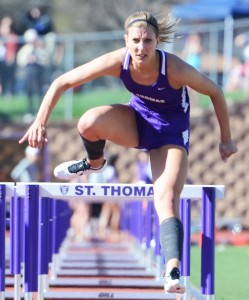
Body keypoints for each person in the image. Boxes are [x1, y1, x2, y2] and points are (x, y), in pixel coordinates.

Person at [19, 11, 237, 294]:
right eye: (135, 40)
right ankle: (94, 163)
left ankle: (172, 269)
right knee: (87, 122)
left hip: (170, 134)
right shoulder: (118, 60)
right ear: (126, 40)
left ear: (157, 41)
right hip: (137, 121)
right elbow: (62, 81)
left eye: (147, 41)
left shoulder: (174, 68)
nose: (141, 47)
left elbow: (216, 91)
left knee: (166, 198)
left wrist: (226, 139)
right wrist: (40, 121)